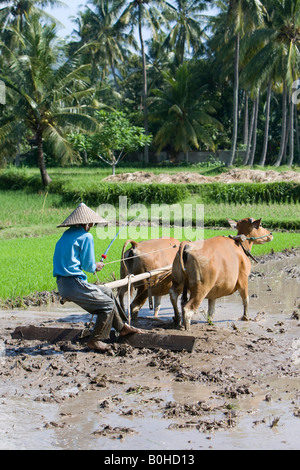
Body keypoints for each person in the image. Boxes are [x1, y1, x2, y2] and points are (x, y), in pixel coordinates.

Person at [53, 202, 142, 351]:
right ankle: (96, 339)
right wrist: (96, 266)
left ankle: (122, 327)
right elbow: (89, 267)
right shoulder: (86, 236)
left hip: (63, 283)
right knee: (106, 305)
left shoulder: (66, 234)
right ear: (87, 223)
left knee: (107, 292)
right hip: (74, 283)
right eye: (92, 223)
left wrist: (92, 265)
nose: (92, 226)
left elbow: (72, 260)